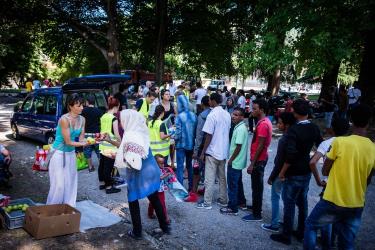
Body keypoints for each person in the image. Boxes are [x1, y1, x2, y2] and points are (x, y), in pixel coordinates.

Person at [304, 104, 375, 250]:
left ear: (350, 120)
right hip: (356, 203)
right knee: (347, 242)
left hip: (333, 199)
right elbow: (368, 178)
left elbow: (325, 171)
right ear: (369, 122)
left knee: (311, 225)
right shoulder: (372, 147)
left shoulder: (339, 142)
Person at [270, 99, 322, 245]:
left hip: (293, 171)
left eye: (293, 110)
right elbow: (321, 145)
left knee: (289, 203)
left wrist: (282, 172)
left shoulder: (294, 130)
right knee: (303, 201)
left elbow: (290, 154)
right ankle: (301, 231)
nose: (291, 112)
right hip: (306, 170)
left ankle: (286, 235)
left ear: (297, 113)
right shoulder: (314, 127)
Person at [114, 110, 170, 239]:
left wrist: (121, 158)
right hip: (150, 170)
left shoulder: (130, 134)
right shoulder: (139, 131)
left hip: (139, 173)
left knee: (133, 200)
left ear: (127, 120)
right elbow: (130, 148)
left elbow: (133, 159)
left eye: (122, 120)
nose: (121, 124)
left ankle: (137, 232)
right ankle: (164, 227)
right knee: (155, 199)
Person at [47, 94, 88, 207]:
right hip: (58, 153)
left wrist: (92, 141)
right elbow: (68, 141)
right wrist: (83, 143)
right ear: (70, 106)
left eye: (82, 105)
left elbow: (81, 139)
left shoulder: (83, 119)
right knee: (59, 185)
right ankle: (52, 209)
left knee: (70, 183)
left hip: (70, 154)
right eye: (78, 106)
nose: (82, 108)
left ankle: (68, 208)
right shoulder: (64, 120)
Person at [261, 112, 296, 232]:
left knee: (275, 197)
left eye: (280, 123)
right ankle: (287, 223)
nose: (277, 125)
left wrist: (272, 176)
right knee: (287, 199)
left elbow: (280, 161)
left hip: (281, 172)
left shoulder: (285, 139)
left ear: (287, 125)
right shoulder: (295, 135)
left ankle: (274, 223)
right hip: (292, 173)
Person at [196, 93, 231, 209]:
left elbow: (208, 136)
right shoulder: (227, 114)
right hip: (223, 150)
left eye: (210, 100)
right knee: (222, 177)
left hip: (212, 151)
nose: (209, 102)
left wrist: (202, 152)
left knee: (209, 178)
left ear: (213, 101)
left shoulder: (212, 115)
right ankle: (223, 200)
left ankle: (207, 202)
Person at [242, 98, 273, 222]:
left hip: (259, 160)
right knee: (256, 186)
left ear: (262, 110)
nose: (251, 110)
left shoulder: (264, 124)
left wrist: (252, 164)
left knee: (257, 187)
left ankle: (257, 214)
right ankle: (256, 207)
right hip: (259, 158)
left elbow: (260, 145)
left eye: (254, 109)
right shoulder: (262, 122)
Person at [220, 108, 248, 215]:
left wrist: (231, 160)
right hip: (238, 162)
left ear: (242, 117)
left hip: (235, 162)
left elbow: (239, 146)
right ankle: (241, 203)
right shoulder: (239, 126)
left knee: (232, 185)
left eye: (236, 115)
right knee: (238, 183)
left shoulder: (240, 129)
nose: (233, 116)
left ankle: (232, 208)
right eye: (233, 114)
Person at [309, 117, 350, 188]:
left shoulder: (325, 143)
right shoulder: (352, 144)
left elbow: (312, 162)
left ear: (332, 128)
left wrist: (319, 182)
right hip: (348, 182)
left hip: (330, 182)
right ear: (347, 130)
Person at [185, 96, 211, 202]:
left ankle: (193, 193)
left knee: (196, 170)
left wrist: (196, 151)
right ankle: (205, 189)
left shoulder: (202, 116)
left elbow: (199, 135)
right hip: (212, 147)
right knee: (208, 170)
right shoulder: (215, 114)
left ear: (202, 104)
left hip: (201, 148)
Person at [98, 96, 122, 194]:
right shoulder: (114, 119)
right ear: (116, 106)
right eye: (118, 107)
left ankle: (103, 183)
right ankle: (108, 187)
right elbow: (116, 135)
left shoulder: (103, 116)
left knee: (102, 166)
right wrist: (120, 141)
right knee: (108, 168)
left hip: (103, 145)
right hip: (111, 147)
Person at [175, 95, 197, 191]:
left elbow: (178, 133)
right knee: (189, 166)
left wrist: (174, 138)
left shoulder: (179, 117)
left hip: (181, 145)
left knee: (180, 167)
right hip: (191, 145)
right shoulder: (194, 115)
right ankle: (191, 187)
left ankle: (180, 189)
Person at [81, 95, 103, 172]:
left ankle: (90, 167)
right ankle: (101, 167)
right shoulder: (99, 111)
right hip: (97, 134)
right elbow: (101, 123)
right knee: (99, 151)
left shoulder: (83, 111)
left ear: (87, 102)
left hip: (87, 134)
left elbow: (81, 122)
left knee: (87, 150)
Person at [148, 154, 172, 224]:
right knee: (162, 203)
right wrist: (166, 175)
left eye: (163, 163)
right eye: (161, 163)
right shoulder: (154, 170)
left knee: (153, 202)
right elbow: (159, 178)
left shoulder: (160, 169)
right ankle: (165, 218)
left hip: (159, 189)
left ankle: (150, 214)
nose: (163, 165)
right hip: (157, 190)